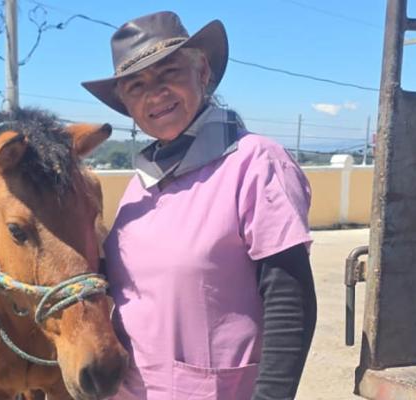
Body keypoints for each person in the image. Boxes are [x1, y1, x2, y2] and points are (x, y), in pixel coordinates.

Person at [82, 11, 317, 400]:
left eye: (168, 72)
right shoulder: (142, 182)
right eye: (136, 85)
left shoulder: (255, 162)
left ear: (202, 71)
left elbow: (289, 298)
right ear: (126, 104)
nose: (155, 93)